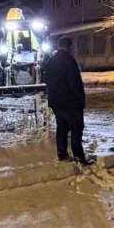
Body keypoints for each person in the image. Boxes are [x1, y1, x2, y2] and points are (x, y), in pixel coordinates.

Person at [43, 36, 90, 164]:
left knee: (62, 128)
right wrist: (80, 101)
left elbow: (47, 81)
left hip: (56, 103)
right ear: (69, 47)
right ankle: (78, 156)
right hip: (71, 102)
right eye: (71, 47)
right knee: (76, 128)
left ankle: (62, 154)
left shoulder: (50, 61)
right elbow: (75, 83)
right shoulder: (69, 61)